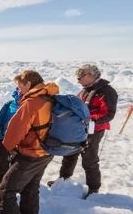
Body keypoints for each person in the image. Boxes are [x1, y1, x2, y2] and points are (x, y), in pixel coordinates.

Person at [0, 70, 59, 214]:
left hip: (30, 153)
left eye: (19, 86)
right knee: (30, 189)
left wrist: (7, 148)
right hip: (46, 152)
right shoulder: (50, 97)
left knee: (6, 192)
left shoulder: (32, 102)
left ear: (28, 84)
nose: (18, 89)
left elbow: (14, 132)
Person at [49, 64, 118, 197]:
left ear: (92, 75)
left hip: (94, 130)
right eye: (77, 76)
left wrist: (89, 119)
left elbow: (108, 113)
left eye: (81, 76)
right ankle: (63, 180)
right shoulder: (84, 90)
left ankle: (93, 189)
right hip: (79, 128)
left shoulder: (107, 91)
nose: (78, 79)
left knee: (89, 159)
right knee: (70, 153)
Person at [0, 89, 21, 183]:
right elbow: (1, 116)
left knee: (16, 160)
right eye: (19, 90)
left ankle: (12, 179)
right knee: (2, 158)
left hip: (19, 139)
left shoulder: (28, 105)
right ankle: (0, 177)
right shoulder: (9, 104)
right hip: (4, 136)